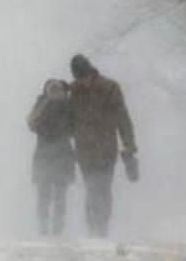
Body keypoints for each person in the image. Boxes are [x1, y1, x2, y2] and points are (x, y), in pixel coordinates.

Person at [68, 54, 137, 237]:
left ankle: (102, 226)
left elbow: (123, 119)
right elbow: (68, 119)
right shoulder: (73, 90)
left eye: (84, 77)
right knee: (91, 188)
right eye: (79, 78)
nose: (83, 82)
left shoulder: (109, 88)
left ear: (90, 72)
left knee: (103, 188)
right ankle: (92, 226)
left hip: (106, 148)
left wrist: (129, 146)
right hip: (84, 150)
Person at [27, 79, 75, 235]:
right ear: (46, 91)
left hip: (62, 155)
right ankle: (43, 226)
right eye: (52, 91)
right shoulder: (42, 104)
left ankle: (58, 228)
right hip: (44, 155)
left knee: (60, 194)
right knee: (44, 193)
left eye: (58, 91)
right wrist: (45, 104)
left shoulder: (68, 106)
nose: (55, 94)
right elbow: (31, 123)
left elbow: (75, 127)